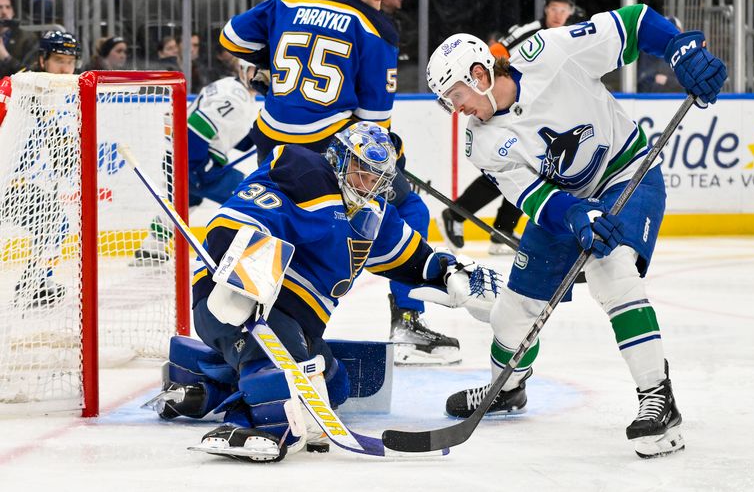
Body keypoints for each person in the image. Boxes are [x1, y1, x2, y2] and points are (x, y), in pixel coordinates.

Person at [426, 3, 726, 458]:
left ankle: (659, 399)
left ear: (480, 73)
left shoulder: (549, 52)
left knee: (612, 270)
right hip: (565, 206)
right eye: (449, 102)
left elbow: (635, 24)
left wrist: (678, 49)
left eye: (456, 95)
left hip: (627, 172)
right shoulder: (479, 139)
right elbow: (533, 198)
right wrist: (575, 216)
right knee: (512, 314)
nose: (456, 109)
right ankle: (507, 388)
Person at [145, 121, 498, 461]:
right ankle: (243, 427)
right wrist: (243, 279)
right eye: (363, 171)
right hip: (241, 305)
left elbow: (412, 259)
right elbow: (230, 226)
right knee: (284, 396)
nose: (370, 185)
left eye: (379, 178)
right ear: (341, 159)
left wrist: (450, 272)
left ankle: (198, 385)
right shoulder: (305, 175)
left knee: (334, 386)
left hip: (294, 324)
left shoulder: (374, 213)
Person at [219, 0, 458, 365]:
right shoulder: (376, 27)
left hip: (275, 142)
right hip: (331, 150)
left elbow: (231, 38)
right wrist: (392, 159)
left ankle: (249, 330)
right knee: (409, 208)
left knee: (278, 227)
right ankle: (407, 322)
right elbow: (374, 127)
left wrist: (269, 65)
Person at [438, 0, 577, 257]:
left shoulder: (563, 35)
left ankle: (500, 230)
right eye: (554, 8)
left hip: (534, 107)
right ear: (546, 8)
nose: (559, 14)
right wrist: (489, 95)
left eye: (565, 10)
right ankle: (458, 215)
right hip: (506, 106)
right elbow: (490, 55)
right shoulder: (528, 32)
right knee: (509, 166)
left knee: (532, 165)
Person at [134, 60, 260, 263]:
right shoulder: (234, 97)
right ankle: (245, 255)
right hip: (192, 158)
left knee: (186, 200)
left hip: (181, 154)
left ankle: (152, 245)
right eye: (258, 69)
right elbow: (197, 126)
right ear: (243, 69)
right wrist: (194, 168)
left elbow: (230, 132)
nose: (263, 76)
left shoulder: (231, 86)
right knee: (249, 196)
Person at [0, 30, 82, 308]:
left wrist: (64, 152)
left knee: (54, 222)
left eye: (70, 62)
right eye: (59, 59)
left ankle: (36, 283)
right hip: (3, 179)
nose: (65, 69)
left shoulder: (59, 94)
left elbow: (52, 134)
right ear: (42, 59)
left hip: (13, 185)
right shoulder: (17, 86)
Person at [0, 0, 39, 78]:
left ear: (13, 12)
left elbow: (30, 73)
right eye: (0, 7)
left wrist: (6, 58)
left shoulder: (28, 38)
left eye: (8, 7)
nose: (4, 12)